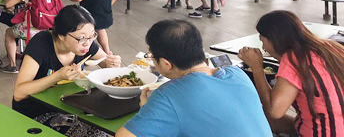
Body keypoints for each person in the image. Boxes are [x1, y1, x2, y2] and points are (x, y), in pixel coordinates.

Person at [116, 19, 272, 137]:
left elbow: (124, 136)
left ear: (165, 63)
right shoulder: (236, 73)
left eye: (152, 55)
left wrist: (147, 108)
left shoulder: (169, 95)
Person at [238, 11, 344, 137]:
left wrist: (257, 67)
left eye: (263, 41)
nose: (264, 48)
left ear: (274, 39)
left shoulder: (295, 59)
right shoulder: (330, 47)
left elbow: (274, 110)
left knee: (256, 117)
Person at [13, 5, 121, 118]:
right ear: (61, 35)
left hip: (68, 107)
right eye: (82, 38)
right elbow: (19, 93)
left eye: (92, 36)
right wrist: (58, 76)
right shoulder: (41, 44)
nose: (87, 43)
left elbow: (105, 62)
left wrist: (112, 64)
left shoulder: (85, 45)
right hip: (36, 112)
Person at [0, 0, 62, 73]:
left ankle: (12, 65)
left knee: (9, 33)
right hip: (49, 27)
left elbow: (8, 5)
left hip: (32, 28)